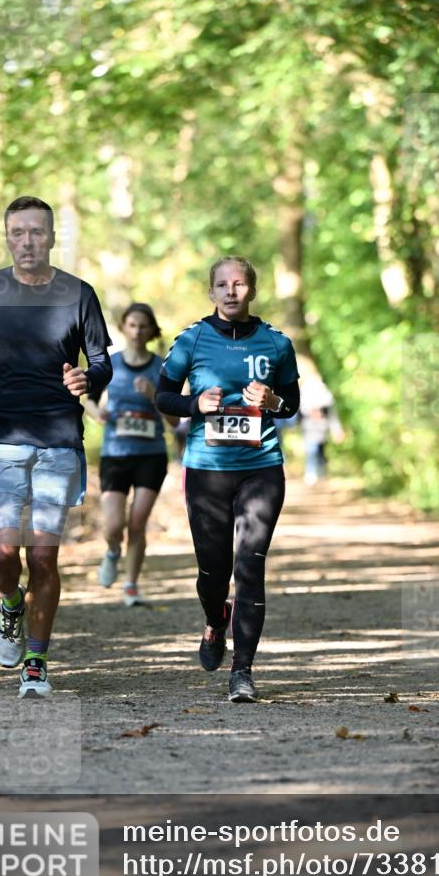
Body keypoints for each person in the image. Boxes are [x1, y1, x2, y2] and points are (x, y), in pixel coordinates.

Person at [0, 195, 112, 699]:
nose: (27, 241)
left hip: (60, 439)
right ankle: (11, 604)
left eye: (37, 232)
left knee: (43, 557)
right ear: (7, 236)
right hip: (1, 436)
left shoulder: (78, 293)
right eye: (18, 232)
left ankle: (36, 660)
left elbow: (102, 360)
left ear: (53, 237)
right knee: (0, 553)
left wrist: (89, 379)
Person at [156, 256, 300, 703]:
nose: (231, 291)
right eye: (222, 285)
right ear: (212, 293)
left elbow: (291, 403)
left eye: (239, 284)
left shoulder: (276, 342)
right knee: (213, 572)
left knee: (249, 565)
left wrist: (273, 399)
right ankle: (216, 621)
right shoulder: (191, 339)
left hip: (261, 469)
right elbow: (163, 395)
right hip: (206, 472)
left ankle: (243, 670)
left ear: (252, 290)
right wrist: (195, 404)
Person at [83, 303, 178, 607]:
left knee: (137, 524)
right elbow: (88, 401)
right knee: (114, 525)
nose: (137, 331)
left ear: (152, 331)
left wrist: (154, 395)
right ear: (123, 328)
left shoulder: (162, 368)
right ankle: (112, 551)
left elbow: (176, 421)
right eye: (132, 325)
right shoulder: (109, 365)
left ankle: (131, 586)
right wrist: (98, 413)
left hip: (151, 455)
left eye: (143, 326)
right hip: (116, 454)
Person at [298, 371, 344, 485]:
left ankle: (320, 473)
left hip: (319, 429)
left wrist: (336, 430)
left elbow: (332, 415)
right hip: (310, 429)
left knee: (319, 451)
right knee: (313, 450)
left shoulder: (323, 396)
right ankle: (312, 473)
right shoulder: (307, 395)